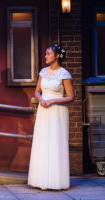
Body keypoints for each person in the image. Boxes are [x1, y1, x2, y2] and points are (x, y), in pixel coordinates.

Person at [28, 44, 75, 190]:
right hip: (44, 110)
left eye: (48, 53)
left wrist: (53, 100)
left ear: (57, 56)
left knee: (55, 142)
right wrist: (41, 99)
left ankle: (55, 181)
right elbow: (37, 91)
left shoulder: (64, 74)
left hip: (57, 110)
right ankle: (40, 180)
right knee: (43, 142)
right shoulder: (43, 72)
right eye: (46, 53)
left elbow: (71, 96)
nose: (45, 56)